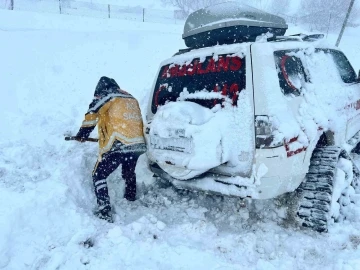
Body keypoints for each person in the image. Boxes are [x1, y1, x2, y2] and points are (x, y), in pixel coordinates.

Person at [75, 76, 146, 223]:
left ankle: (104, 210)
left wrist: (82, 134)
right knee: (129, 172)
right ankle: (130, 199)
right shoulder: (130, 98)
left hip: (119, 143)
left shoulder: (108, 95)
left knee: (98, 175)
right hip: (137, 144)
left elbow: (92, 113)